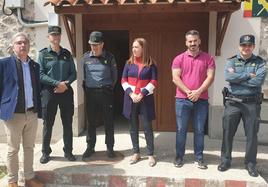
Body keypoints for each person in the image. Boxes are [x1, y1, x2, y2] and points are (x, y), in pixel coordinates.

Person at [218, 34, 267, 177]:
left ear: (253, 46)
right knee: (228, 133)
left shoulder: (260, 63)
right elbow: (228, 77)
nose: (246, 48)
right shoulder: (231, 61)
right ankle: (225, 160)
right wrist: (248, 75)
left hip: (252, 103)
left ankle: (250, 164)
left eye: (249, 45)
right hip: (232, 102)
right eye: (243, 45)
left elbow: (257, 82)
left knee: (252, 135)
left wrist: (237, 77)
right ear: (239, 46)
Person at [0, 33, 44, 187]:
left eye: (25, 42)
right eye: (19, 42)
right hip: (13, 114)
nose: (22, 45)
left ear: (29, 45)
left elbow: (36, 88)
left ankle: (29, 177)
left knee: (29, 147)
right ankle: (12, 181)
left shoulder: (34, 65)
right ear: (13, 46)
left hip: (31, 113)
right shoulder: (4, 64)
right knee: (13, 149)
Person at [171, 30, 215, 169]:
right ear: (186, 42)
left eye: (195, 41)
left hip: (201, 100)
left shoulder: (208, 58)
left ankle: (199, 158)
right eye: (190, 41)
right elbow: (175, 78)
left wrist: (198, 92)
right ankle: (179, 157)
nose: (193, 43)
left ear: (199, 41)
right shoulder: (179, 59)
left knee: (200, 130)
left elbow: (210, 77)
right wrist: (189, 92)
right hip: (182, 100)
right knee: (181, 129)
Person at [38, 26, 77, 164]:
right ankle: (45, 152)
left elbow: (74, 73)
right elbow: (40, 74)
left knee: (68, 123)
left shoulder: (66, 54)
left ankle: (68, 151)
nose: (55, 37)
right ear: (48, 37)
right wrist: (57, 83)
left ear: (60, 37)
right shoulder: (43, 54)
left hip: (66, 92)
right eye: (52, 35)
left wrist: (65, 85)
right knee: (48, 123)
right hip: (49, 93)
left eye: (57, 35)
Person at [121, 38, 158, 167]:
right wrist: (131, 94)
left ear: (143, 48)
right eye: (133, 47)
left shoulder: (151, 64)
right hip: (131, 98)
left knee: (147, 127)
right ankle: (136, 152)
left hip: (145, 99)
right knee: (133, 127)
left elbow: (154, 81)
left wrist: (142, 94)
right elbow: (123, 80)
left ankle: (150, 154)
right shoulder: (128, 63)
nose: (133, 49)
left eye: (136, 47)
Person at [81, 31, 118, 159]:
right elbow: (83, 77)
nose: (94, 47)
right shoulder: (85, 57)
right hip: (91, 94)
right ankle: (90, 147)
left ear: (102, 44)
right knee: (91, 122)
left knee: (108, 122)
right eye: (92, 45)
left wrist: (107, 88)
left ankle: (110, 148)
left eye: (96, 45)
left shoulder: (109, 57)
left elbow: (114, 77)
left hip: (105, 93)